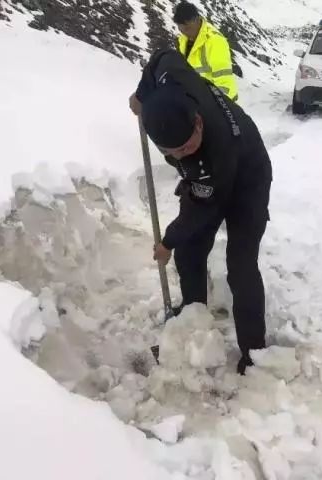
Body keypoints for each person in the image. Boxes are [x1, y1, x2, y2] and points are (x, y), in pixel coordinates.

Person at [128, 49, 272, 375]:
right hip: (208, 182)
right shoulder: (173, 76)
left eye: (188, 144)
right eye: (174, 151)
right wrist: (141, 95)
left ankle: (254, 351)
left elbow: (201, 210)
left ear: (197, 120)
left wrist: (167, 240)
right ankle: (193, 322)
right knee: (190, 253)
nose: (183, 152)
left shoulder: (212, 154)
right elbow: (161, 56)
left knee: (241, 265)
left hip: (249, 178)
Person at [172, 1, 239, 102]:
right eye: (181, 30)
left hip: (218, 105)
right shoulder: (183, 39)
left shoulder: (215, 41)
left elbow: (224, 83)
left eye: (187, 28)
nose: (185, 33)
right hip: (196, 101)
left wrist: (216, 108)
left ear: (196, 19)